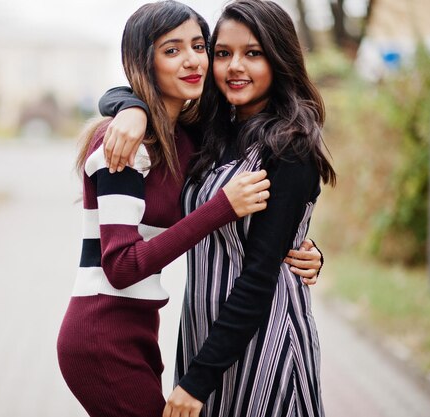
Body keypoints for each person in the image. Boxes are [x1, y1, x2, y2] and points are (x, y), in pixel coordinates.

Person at [98, 1, 335, 416]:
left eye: (253, 53)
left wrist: (196, 382)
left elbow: (261, 276)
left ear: (279, 58)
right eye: (223, 53)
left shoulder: (289, 146)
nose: (234, 67)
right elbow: (132, 90)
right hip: (205, 338)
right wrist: (131, 109)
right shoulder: (212, 129)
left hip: (265, 340)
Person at [56, 3, 274, 417]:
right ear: (145, 63)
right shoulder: (124, 147)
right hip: (100, 335)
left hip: (140, 329)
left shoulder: (187, 137)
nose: (192, 59)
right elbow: (120, 266)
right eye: (171, 50)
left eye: (198, 45)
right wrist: (220, 208)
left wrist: (300, 243)